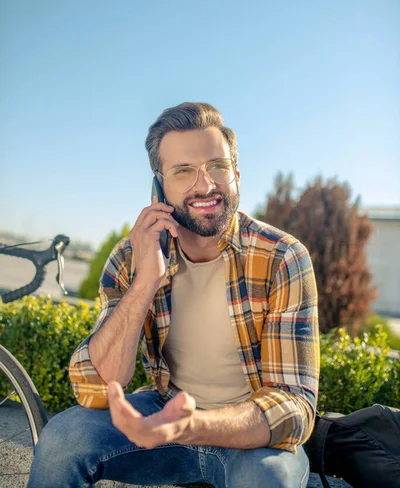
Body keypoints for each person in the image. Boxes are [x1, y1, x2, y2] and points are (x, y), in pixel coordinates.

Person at [28, 102, 320, 488]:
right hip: (166, 413)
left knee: (266, 479)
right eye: (183, 171)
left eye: (217, 166)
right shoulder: (131, 257)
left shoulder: (283, 256)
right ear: (159, 186)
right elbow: (94, 387)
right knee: (63, 439)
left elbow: (295, 408)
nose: (205, 184)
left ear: (235, 174)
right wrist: (145, 282)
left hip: (249, 435)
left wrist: (189, 426)